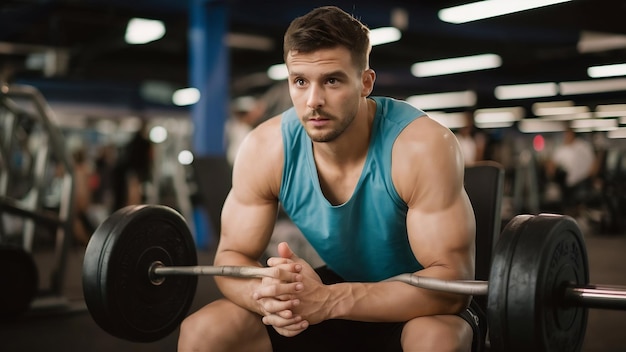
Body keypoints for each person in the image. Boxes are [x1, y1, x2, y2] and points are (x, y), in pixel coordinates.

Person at [178, 6, 483, 352]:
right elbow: (231, 256)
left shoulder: (420, 146)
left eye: (332, 80)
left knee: (435, 341)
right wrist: (264, 298)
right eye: (300, 81)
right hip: (337, 285)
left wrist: (331, 300)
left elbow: (452, 286)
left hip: (417, 301)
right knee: (204, 331)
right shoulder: (267, 148)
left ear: (365, 82)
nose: (313, 101)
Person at [545, 126, 596, 217]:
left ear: (573, 134)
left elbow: (593, 164)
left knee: (578, 205)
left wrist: (591, 178)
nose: (566, 137)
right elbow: (553, 164)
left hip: (581, 181)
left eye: (568, 134)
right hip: (566, 184)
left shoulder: (583, 147)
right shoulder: (562, 149)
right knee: (567, 206)